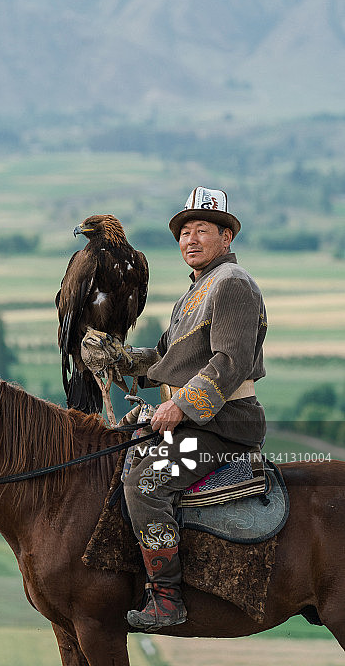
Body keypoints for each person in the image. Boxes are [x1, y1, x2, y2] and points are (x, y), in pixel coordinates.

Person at [124, 186, 267, 632]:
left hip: (225, 426)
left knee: (146, 484)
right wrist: (119, 359)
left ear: (226, 237)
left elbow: (230, 361)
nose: (190, 239)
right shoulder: (193, 293)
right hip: (198, 421)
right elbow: (166, 361)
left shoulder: (233, 285)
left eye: (202, 229)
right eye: (184, 232)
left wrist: (181, 406)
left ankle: (167, 598)